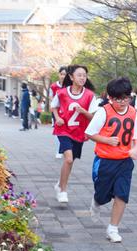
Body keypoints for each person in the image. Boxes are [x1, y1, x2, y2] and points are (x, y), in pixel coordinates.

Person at [85, 77, 137, 243]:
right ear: (110, 97)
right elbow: (89, 133)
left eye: (126, 97)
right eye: (118, 99)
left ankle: (113, 228)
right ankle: (96, 201)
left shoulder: (133, 112)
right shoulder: (104, 111)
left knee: (122, 194)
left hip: (125, 161)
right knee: (103, 195)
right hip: (105, 161)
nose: (123, 102)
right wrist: (106, 140)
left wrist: (135, 149)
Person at [51, 65, 96, 203]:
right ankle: (63, 191)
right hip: (64, 130)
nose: (82, 78)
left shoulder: (90, 95)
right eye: (79, 75)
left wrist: (84, 112)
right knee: (68, 159)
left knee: (70, 161)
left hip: (79, 132)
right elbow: (53, 106)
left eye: (84, 75)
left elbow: (93, 117)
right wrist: (57, 118)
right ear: (71, 77)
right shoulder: (62, 93)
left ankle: (60, 183)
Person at [50, 66, 67, 158]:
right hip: (56, 112)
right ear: (59, 74)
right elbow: (51, 99)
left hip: (66, 112)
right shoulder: (53, 86)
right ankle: (60, 149)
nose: (63, 76)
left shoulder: (70, 86)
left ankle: (62, 150)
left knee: (65, 131)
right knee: (58, 131)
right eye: (62, 74)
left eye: (65, 74)